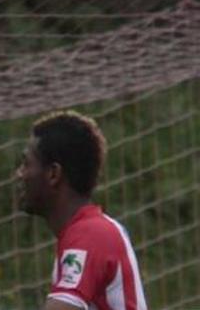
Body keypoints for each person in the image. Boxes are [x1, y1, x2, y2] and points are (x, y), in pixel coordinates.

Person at [16, 110, 147, 310]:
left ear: (53, 174)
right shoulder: (84, 233)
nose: (20, 174)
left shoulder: (91, 234)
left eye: (26, 164)